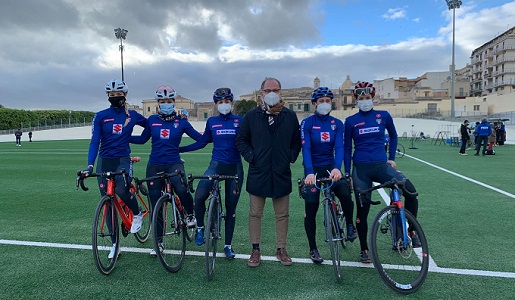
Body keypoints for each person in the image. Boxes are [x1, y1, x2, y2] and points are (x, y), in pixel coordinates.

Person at [343, 82, 420, 263]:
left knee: (411, 192)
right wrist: (348, 173)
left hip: (381, 165)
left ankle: (410, 230)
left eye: (367, 98)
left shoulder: (383, 116)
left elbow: (393, 136)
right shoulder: (351, 121)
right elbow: (347, 149)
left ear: (373, 98)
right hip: (361, 170)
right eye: (361, 98)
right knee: (362, 209)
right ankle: (364, 249)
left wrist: (391, 157)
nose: (364, 101)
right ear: (356, 100)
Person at [236, 77, 301, 267]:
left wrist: (290, 155)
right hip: (259, 171)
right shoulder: (251, 116)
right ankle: (255, 249)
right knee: (255, 213)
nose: (272, 93)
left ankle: (281, 249)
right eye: (268, 90)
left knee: (282, 214)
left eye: (276, 90)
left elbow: (296, 141)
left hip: (281, 172)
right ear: (261, 92)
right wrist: (251, 156)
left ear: (281, 92)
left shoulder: (289, 116)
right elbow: (241, 140)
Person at [130, 85, 201, 256]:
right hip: (154, 164)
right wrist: (122, 137)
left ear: (174, 102)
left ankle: (190, 214)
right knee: (156, 206)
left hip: (174, 163)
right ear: (158, 103)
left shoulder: (181, 122)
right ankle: (159, 242)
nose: (166, 104)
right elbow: (142, 139)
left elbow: (201, 139)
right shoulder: (152, 120)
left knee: (181, 188)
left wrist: (183, 149)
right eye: (162, 101)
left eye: (169, 101)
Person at [84, 79, 148, 259]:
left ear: (125, 95)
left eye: (118, 94)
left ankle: (137, 214)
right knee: (108, 201)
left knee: (121, 188)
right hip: (104, 161)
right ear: (107, 96)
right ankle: (115, 245)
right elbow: (95, 141)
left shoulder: (132, 115)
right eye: (111, 95)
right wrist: (89, 166)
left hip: (122, 160)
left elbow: (150, 127)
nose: (115, 97)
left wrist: (136, 139)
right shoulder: (101, 116)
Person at [179, 87, 244, 259]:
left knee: (231, 209)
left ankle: (228, 246)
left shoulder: (240, 120)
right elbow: (202, 142)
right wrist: (180, 149)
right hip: (216, 165)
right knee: (199, 195)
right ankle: (200, 228)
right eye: (220, 102)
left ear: (232, 102)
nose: (224, 104)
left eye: (227, 101)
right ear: (216, 104)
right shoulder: (212, 122)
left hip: (235, 167)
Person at [300, 87, 356, 264]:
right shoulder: (307, 123)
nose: (325, 104)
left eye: (327, 101)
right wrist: (309, 172)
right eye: (321, 101)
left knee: (345, 193)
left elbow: (339, 147)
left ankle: (349, 224)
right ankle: (313, 248)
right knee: (311, 207)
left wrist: (337, 168)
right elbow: (306, 148)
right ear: (314, 104)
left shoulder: (337, 124)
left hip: (331, 166)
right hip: (313, 168)